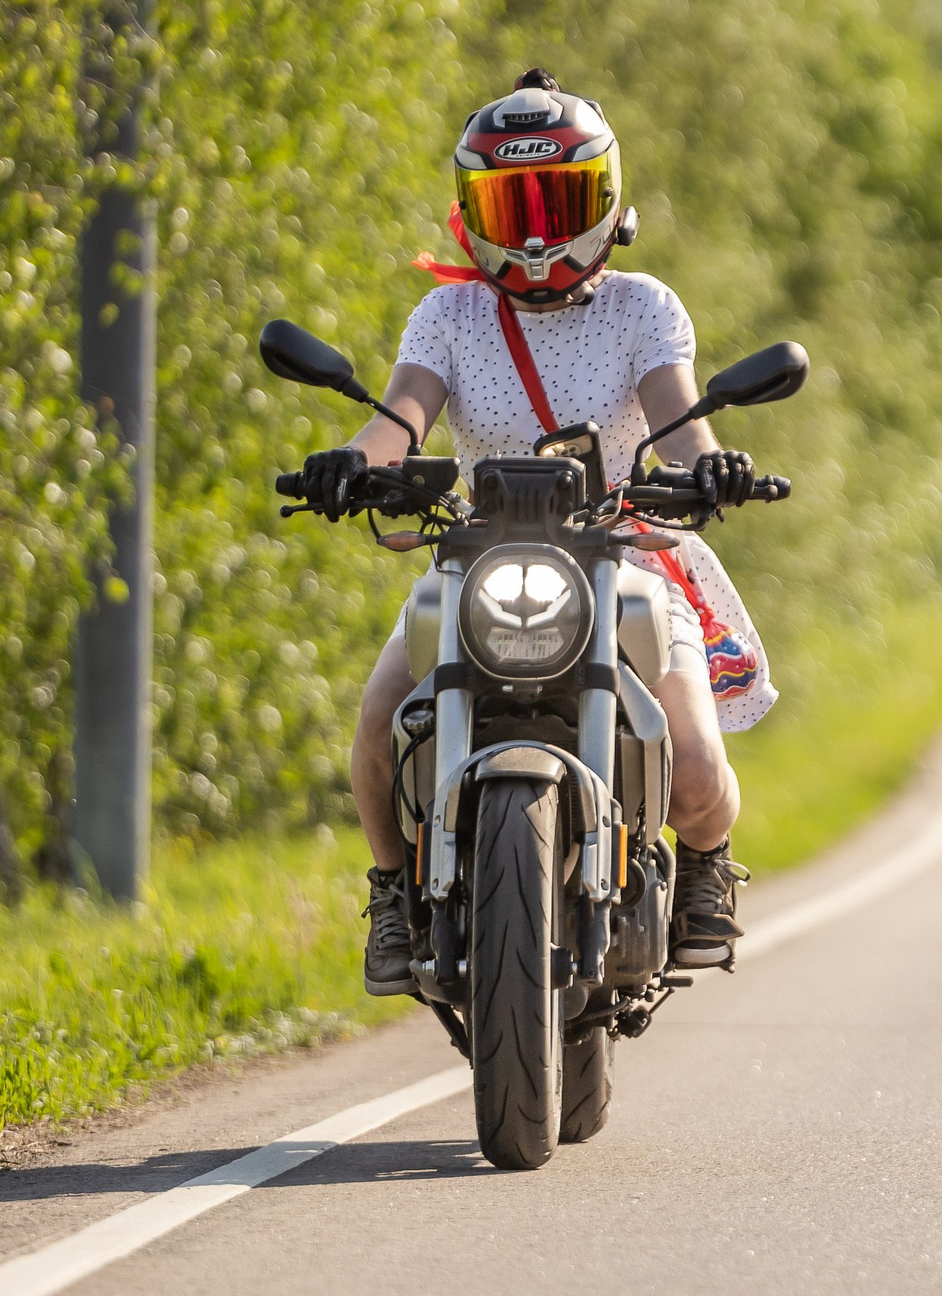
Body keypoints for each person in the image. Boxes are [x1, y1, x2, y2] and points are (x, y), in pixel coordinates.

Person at [299, 69, 777, 996]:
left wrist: (709, 464)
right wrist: (353, 462)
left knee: (697, 766)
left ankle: (707, 870)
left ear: (601, 199)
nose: (533, 232)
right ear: (470, 208)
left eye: (554, 203)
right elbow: (400, 416)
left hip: (623, 552)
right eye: (511, 204)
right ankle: (393, 893)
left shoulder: (644, 307)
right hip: (482, 557)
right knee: (376, 723)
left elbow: (680, 422)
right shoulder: (449, 314)